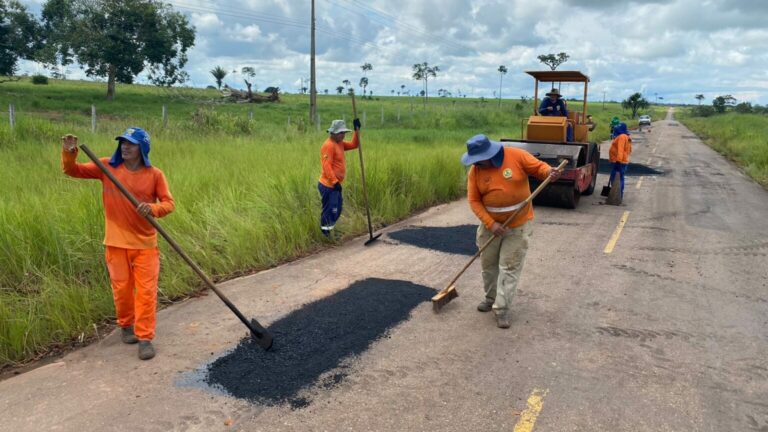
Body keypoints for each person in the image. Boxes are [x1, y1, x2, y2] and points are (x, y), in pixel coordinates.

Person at [61, 127, 175, 360]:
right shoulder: (107, 167)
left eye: (131, 143)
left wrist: (152, 208)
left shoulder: (154, 174)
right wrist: (69, 152)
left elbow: (168, 203)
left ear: (142, 148)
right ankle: (126, 326)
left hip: (145, 244)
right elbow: (73, 170)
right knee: (122, 291)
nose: (125, 146)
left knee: (146, 293)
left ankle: (145, 339)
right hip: (115, 243)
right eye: (123, 142)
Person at [462, 134, 562, 329]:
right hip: (490, 227)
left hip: (517, 225)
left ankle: (502, 308)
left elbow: (539, 168)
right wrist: (491, 224)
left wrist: (549, 171)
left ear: (488, 154)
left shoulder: (516, 156)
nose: (475, 164)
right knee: (488, 266)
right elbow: (474, 201)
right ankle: (490, 298)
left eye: (478, 160)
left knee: (509, 267)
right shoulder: (475, 172)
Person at [318, 118, 361, 237]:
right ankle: (325, 234)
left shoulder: (340, 143)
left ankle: (329, 231)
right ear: (334, 133)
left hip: (335, 185)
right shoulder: (329, 145)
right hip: (328, 185)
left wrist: (357, 130)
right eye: (341, 133)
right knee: (331, 210)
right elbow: (326, 166)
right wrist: (335, 182)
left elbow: (354, 145)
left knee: (337, 209)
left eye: (344, 133)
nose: (343, 135)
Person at [608, 122, 632, 199]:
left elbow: (620, 149)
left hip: (618, 162)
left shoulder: (621, 137)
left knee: (615, 178)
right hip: (622, 161)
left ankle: (616, 196)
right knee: (620, 178)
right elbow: (629, 150)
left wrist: (618, 160)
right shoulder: (626, 137)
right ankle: (618, 195)